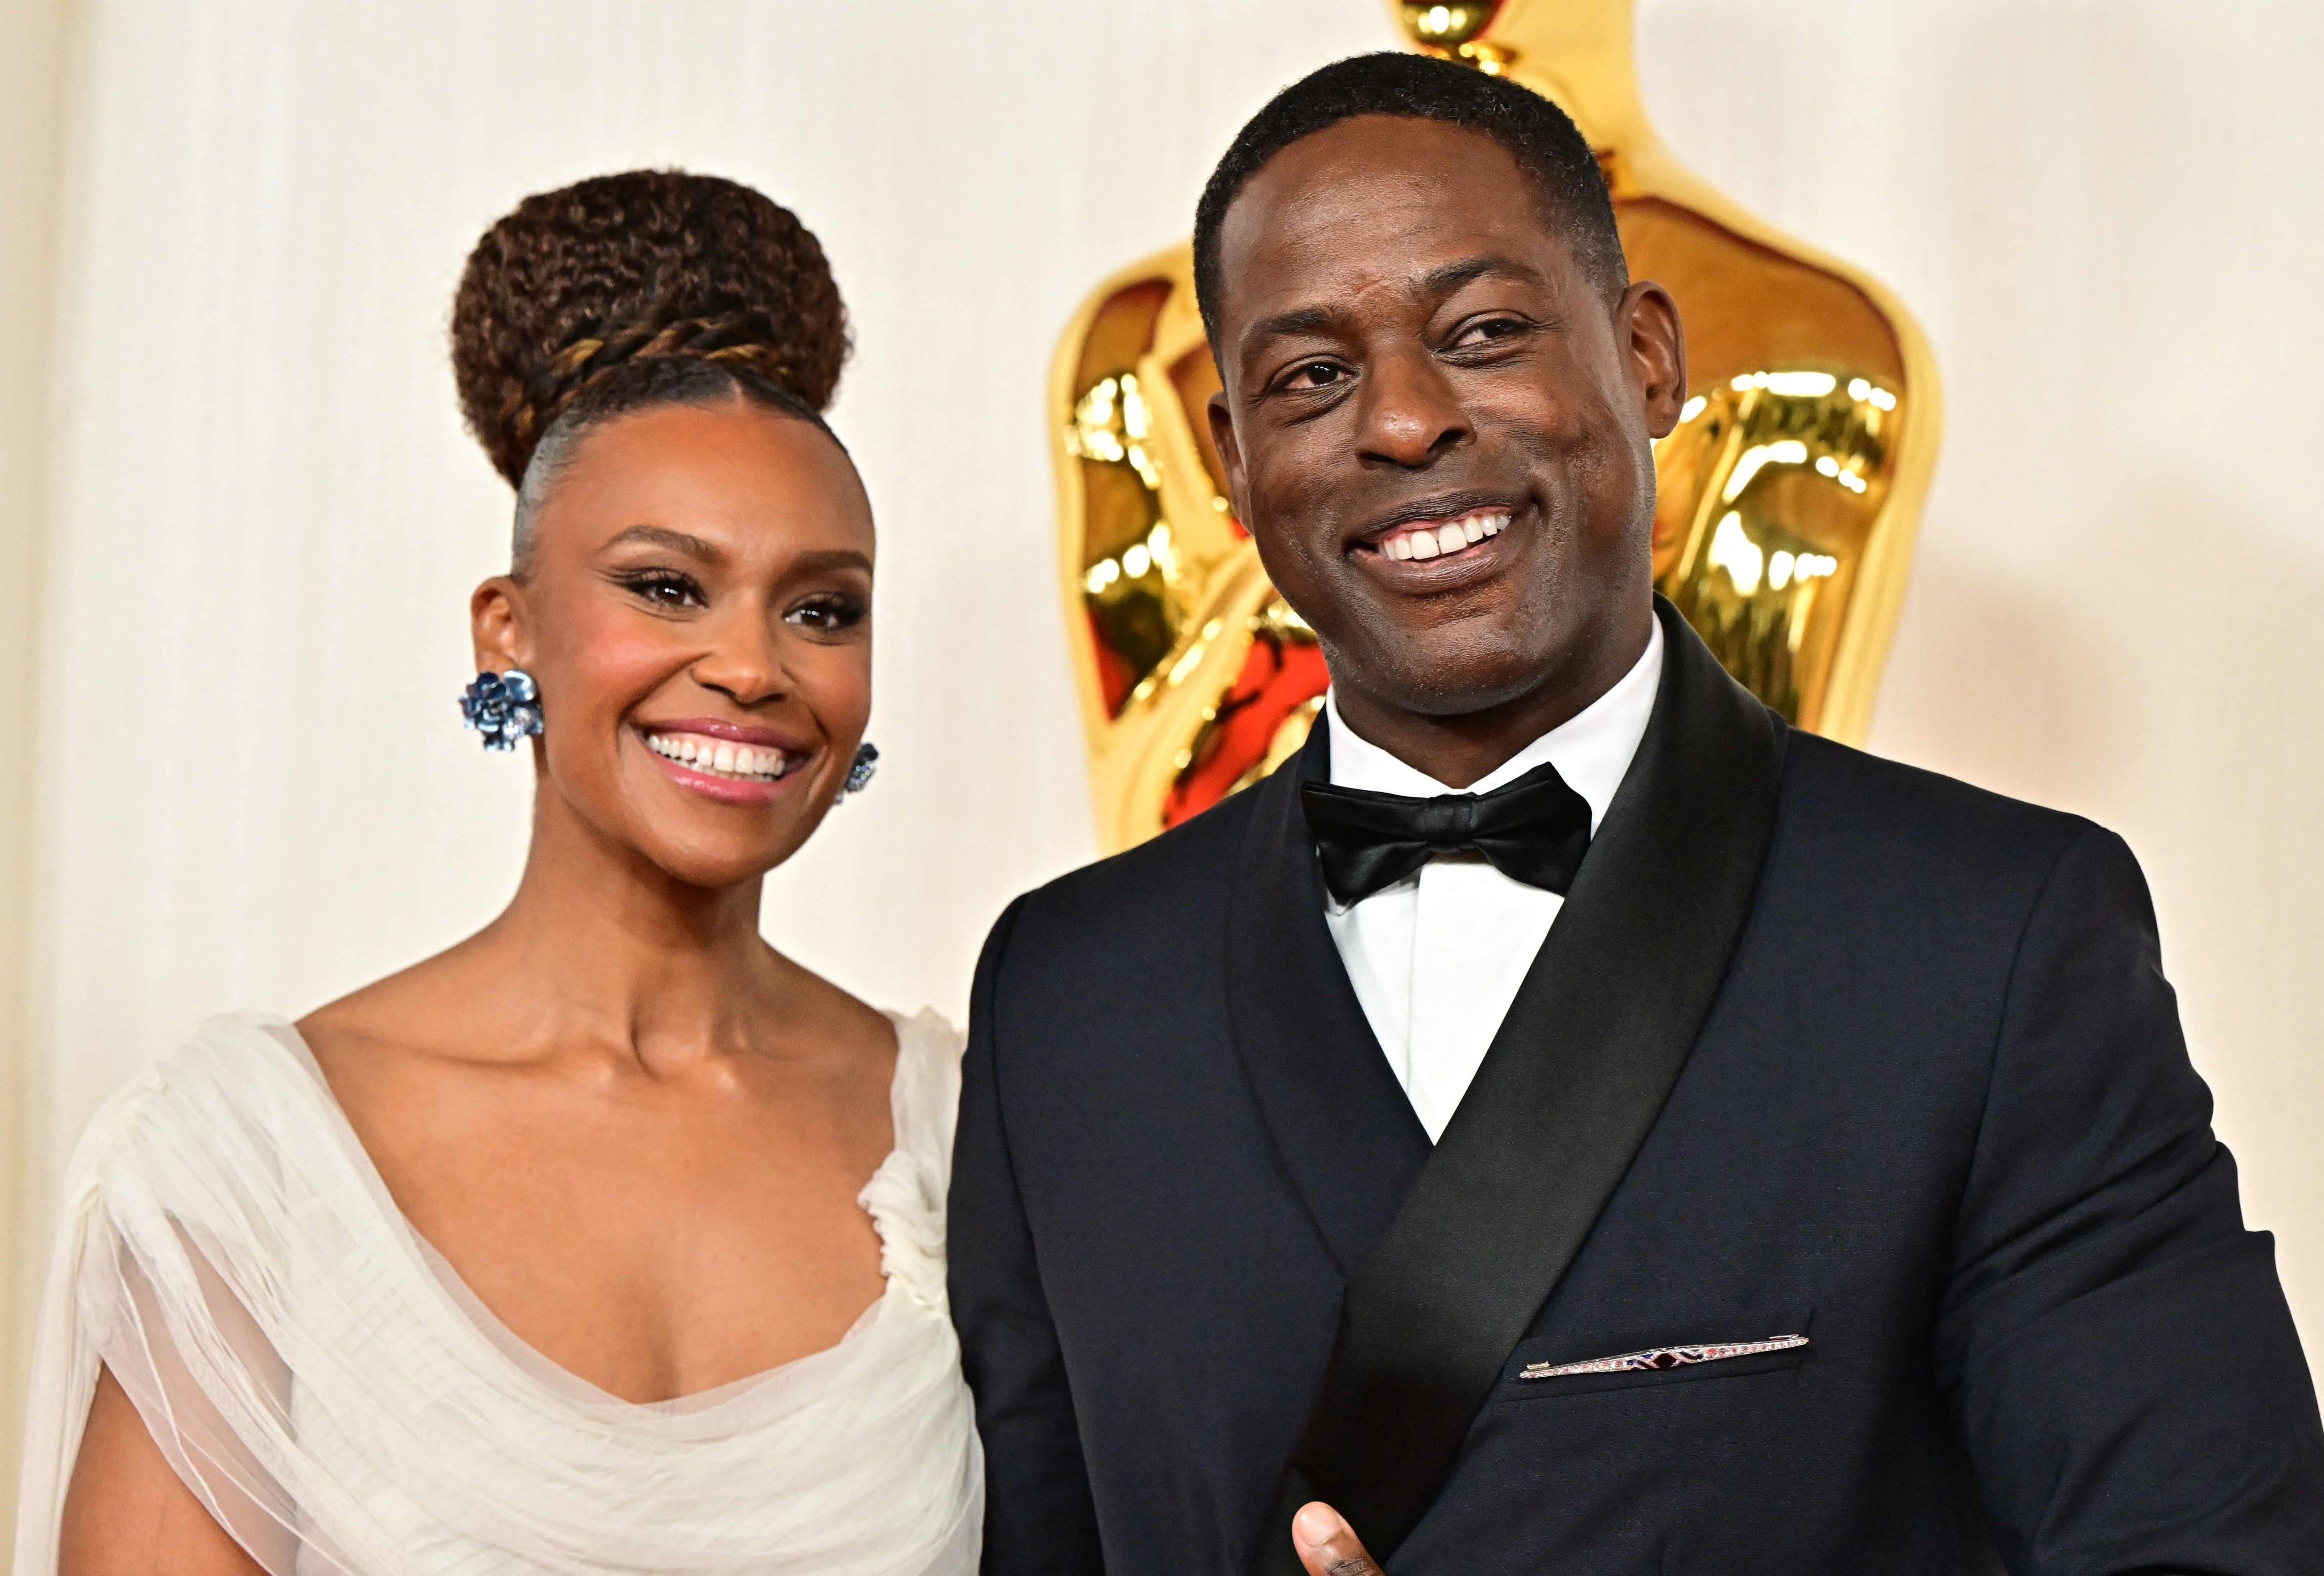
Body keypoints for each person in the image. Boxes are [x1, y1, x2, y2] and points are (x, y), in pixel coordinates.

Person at [949, 52, 2324, 1575]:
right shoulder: (1062, 998)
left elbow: (2204, 1545)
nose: (1400, 424)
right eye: (1309, 377)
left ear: (1648, 356)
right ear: (1230, 460)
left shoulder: (1987, 938)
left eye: (1480, 334)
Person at [15, 171, 980, 1574]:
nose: (754, 665)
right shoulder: (257, 1158)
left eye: (820, 608)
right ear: (507, 629)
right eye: (665, 585)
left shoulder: (962, 1131)